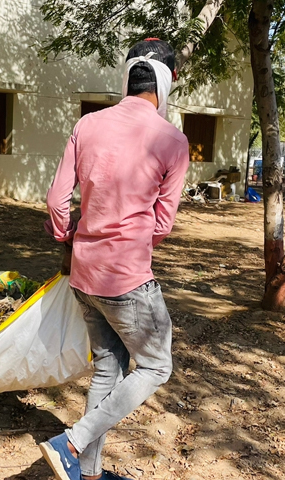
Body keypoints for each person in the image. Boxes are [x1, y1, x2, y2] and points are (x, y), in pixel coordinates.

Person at [40, 39, 190, 480]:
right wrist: (135, 244)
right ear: (168, 82)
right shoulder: (173, 140)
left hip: (84, 276)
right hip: (126, 279)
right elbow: (163, 224)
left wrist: (68, 236)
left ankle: (87, 473)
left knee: (108, 368)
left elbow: (55, 200)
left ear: (126, 76)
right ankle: (72, 441)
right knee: (157, 365)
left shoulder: (87, 125)